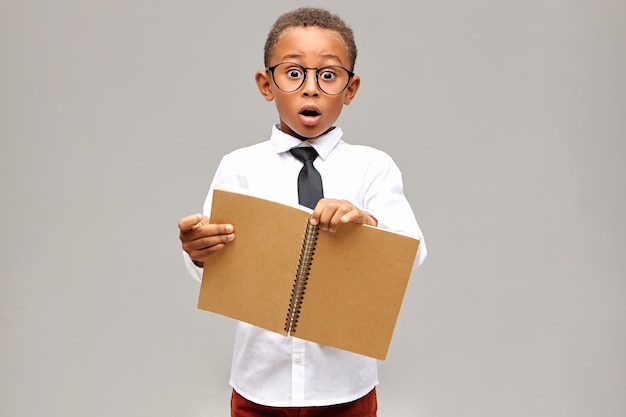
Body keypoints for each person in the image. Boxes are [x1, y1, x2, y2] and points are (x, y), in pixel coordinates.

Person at [178, 7, 427, 416]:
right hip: (260, 385)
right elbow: (214, 269)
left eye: (328, 76)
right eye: (294, 73)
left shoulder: (372, 166)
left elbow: (412, 253)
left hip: (346, 386)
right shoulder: (239, 166)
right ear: (266, 83)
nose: (311, 89)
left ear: (351, 88)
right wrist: (197, 250)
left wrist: (367, 225)